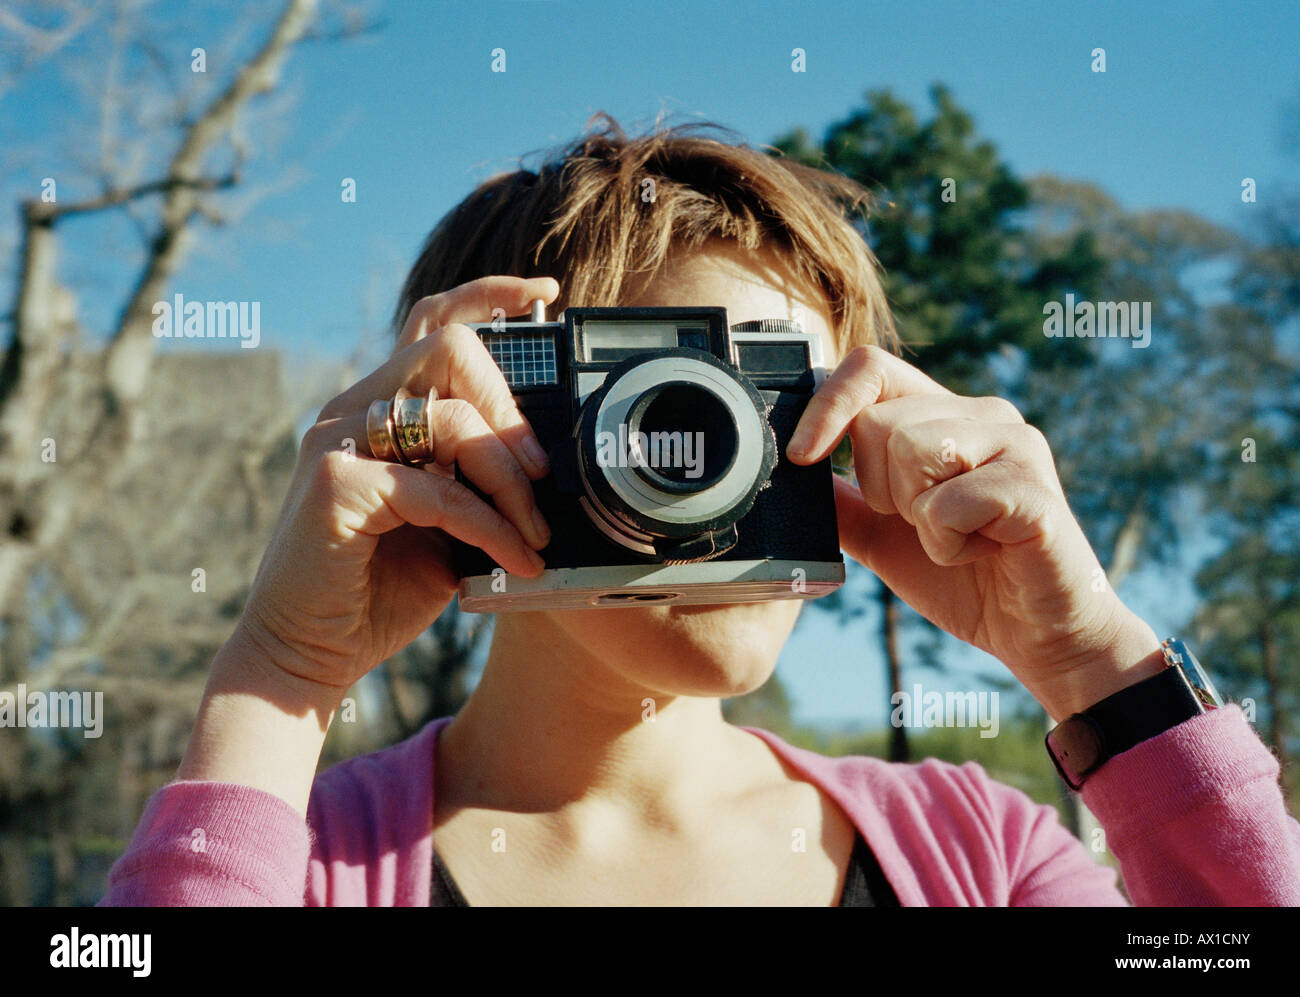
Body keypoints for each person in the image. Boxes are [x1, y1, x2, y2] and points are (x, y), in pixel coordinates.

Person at [102, 117, 1300, 906]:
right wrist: (280, 678)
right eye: (662, 400)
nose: (715, 462)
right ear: (457, 425)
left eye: (776, 402)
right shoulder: (292, 862)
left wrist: (1089, 662)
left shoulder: (977, 855)